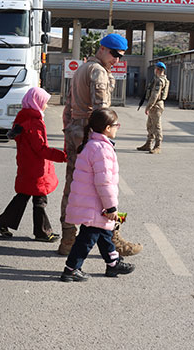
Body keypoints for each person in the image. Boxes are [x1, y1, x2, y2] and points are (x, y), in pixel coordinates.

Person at [59, 33, 141, 257]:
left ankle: (68, 238)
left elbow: (68, 104)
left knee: (73, 187)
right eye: (114, 54)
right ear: (103, 49)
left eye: (120, 56)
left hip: (76, 131)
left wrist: (69, 131)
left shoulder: (83, 68)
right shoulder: (98, 72)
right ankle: (113, 238)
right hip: (90, 134)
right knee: (104, 185)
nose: (117, 59)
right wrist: (104, 139)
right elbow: (101, 112)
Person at [60, 108, 136, 282]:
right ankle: (71, 269)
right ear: (108, 128)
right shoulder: (102, 149)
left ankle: (112, 263)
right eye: (116, 125)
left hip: (90, 202)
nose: (118, 128)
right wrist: (111, 206)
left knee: (104, 233)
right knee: (87, 238)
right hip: (95, 204)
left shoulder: (92, 144)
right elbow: (104, 182)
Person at [0, 87, 67, 241]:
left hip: (27, 164)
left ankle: (2, 222)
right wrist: (63, 156)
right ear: (37, 102)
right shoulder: (35, 122)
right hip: (36, 168)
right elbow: (41, 149)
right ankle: (42, 232)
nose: (46, 105)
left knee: (24, 195)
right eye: (44, 102)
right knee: (39, 199)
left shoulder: (23, 118)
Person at [137, 62, 170, 154]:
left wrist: (148, 107)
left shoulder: (159, 81)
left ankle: (158, 146)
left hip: (156, 105)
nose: (155, 70)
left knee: (156, 126)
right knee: (150, 125)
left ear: (159, 69)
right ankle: (148, 144)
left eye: (156, 68)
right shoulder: (159, 79)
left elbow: (155, 95)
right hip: (155, 105)